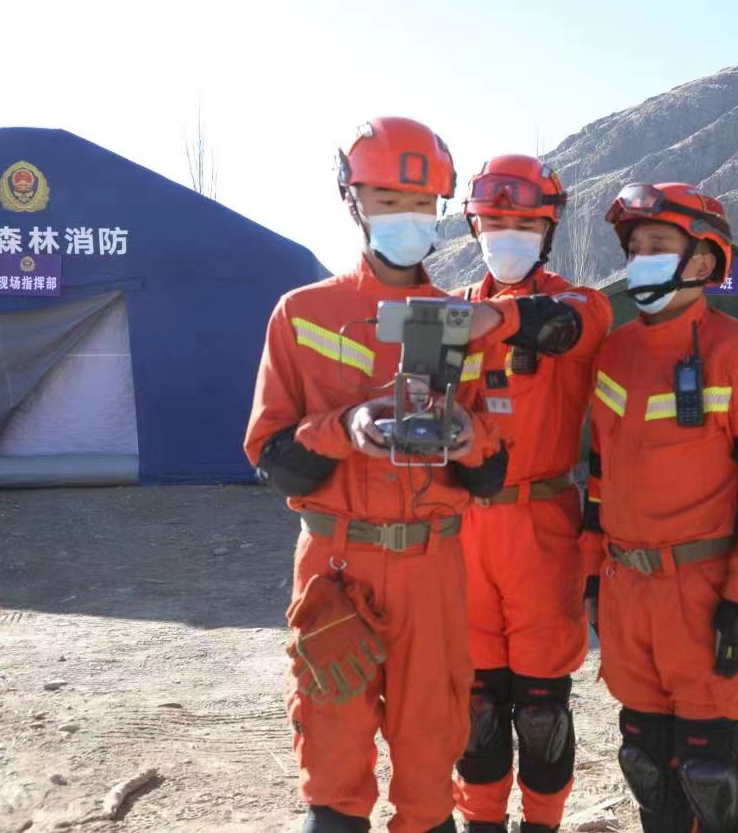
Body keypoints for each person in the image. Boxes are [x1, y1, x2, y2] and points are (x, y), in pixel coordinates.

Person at [244, 116, 509, 833]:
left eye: (421, 204)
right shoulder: (302, 314)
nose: (406, 218)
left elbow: (492, 475)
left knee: (430, 766)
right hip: (337, 565)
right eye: (388, 200)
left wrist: (468, 439)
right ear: (352, 200)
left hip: (433, 569)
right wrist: (346, 427)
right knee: (332, 769)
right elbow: (273, 460)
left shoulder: (462, 322)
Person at [580, 182, 738, 833]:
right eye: (634, 248)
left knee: (711, 775)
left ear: (703, 261)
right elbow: (600, 477)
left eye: (657, 245)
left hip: (702, 595)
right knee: (646, 765)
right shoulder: (614, 352)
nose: (639, 259)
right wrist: (594, 579)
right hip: (627, 592)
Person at [449, 155, 614, 833]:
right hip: (466, 530)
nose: (507, 236)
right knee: (478, 705)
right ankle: (480, 822)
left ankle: (542, 823)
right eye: (494, 223)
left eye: (524, 224)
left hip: (543, 528)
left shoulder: (583, 304)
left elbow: (560, 325)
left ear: (549, 231)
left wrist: (489, 320)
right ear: (474, 228)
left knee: (543, 707)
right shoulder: (449, 311)